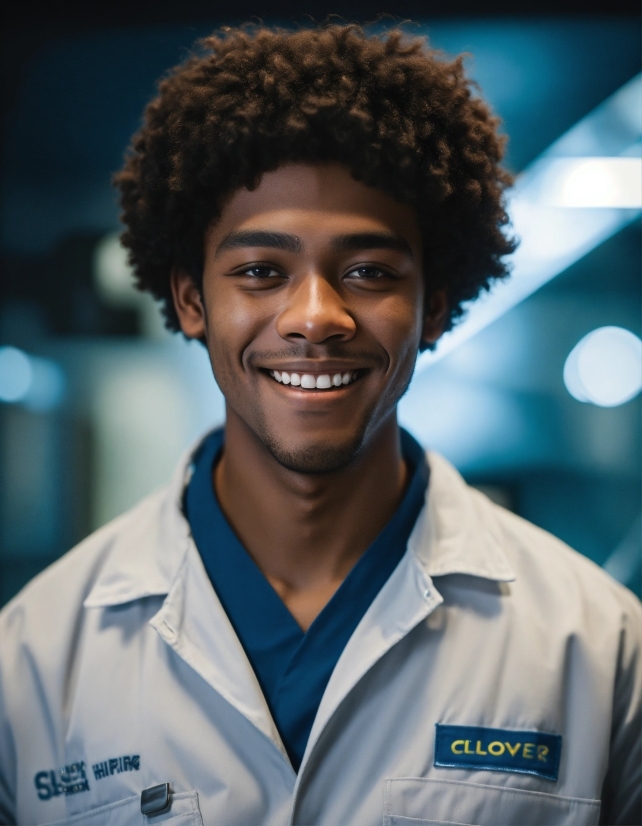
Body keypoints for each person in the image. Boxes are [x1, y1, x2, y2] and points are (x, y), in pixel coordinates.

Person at [0, 23, 639, 826]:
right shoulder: (31, 657)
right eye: (261, 272)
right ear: (193, 300)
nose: (315, 318)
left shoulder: (601, 646)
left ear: (433, 304)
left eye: (368, 272)